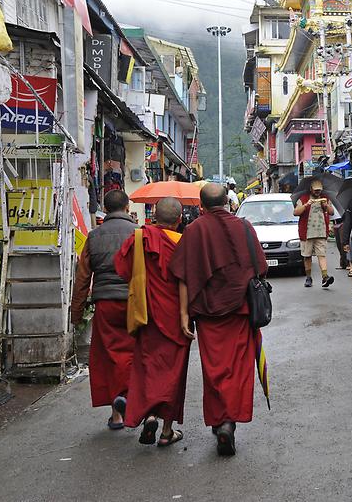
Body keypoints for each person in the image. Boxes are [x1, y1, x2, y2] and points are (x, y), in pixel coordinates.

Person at [171, 183, 267, 457]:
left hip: (209, 314)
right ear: (227, 201)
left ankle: (219, 420)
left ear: (201, 205)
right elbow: (260, 267)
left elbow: (182, 275)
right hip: (240, 311)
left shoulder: (193, 231)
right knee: (237, 369)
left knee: (214, 370)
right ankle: (228, 422)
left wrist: (183, 316)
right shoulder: (245, 227)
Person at [114, 197, 190, 448]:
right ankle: (167, 431)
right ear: (179, 220)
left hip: (147, 314)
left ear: (155, 216)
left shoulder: (140, 238)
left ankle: (149, 416)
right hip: (177, 318)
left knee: (148, 368)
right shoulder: (184, 243)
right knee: (173, 374)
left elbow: (123, 270)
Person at [70, 190, 137, 430]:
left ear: (105, 210)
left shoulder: (94, 236)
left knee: (109, 356)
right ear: (128, 208)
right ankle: (131, 401)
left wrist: (76, 313)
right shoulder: (138, 235)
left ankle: (116, 416)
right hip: (134, 302)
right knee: (134, 354)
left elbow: (82, 278)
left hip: (106, 303)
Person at [293, 179, 334, 289]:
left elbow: (331, 212)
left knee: (322, 255)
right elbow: (296, 212)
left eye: (319, 190)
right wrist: (306, 205)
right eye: (315, 190)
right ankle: (308, 277)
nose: (317, 192)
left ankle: (325, 277)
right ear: (311, 189)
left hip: (321, 232)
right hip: (307, 232)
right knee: (307, 256)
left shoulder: (325, 198)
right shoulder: (303, 198)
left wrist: (326, 205)